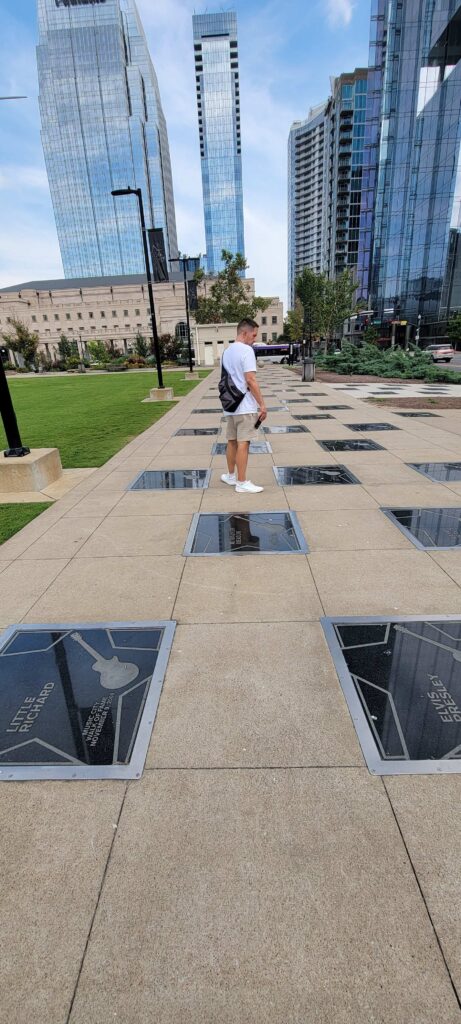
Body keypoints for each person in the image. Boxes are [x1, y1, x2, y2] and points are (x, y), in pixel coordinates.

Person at [220, 318, 267, 493]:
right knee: (243, 443)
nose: (254, 339)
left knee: (231, 441)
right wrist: (262, 404)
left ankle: (231, 476)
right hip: (245, 406)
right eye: (253, 335)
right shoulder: (247, 351)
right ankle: (241, 482)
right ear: (244, 333)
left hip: (230, 405)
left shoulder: (226, 352)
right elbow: (250, 379)